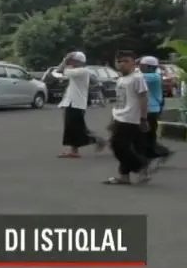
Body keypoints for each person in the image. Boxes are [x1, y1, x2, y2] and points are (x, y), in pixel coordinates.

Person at [104, 50, 150, 185]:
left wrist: (144, 118)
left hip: (130, 119)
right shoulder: (121, 79)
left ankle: (141, 166)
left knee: (118, 146)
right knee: (124, 147)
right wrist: (113, 118)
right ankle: (124, 176)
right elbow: (120, 101)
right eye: (119, 61)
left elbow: (144, 97)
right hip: (120, 116)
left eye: (126, 61)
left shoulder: (137, 78)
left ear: (133, 64)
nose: (122, 64)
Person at [56, 51, 106, 158]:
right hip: (71, 102)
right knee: (72, 128)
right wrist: (66, 59)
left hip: (77, 103)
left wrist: (65, 60)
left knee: (77, 128)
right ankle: (74, 150)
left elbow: (62, 71)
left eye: (72, 60)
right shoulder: (76, 70)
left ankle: (97, 140)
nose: (70, 62)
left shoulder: (83, 71)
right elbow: (58, 71)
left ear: (79, 62)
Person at [138, 56, 173, 169]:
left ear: (149, 67)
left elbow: (133, 76)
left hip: (151, 110)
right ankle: (152, 155)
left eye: (142, 66)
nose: (140, 67)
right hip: (150, 109)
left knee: (146, 136)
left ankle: (159, 153)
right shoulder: (153, 75)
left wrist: (133, 62)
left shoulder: (151, 77)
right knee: (148, 135)